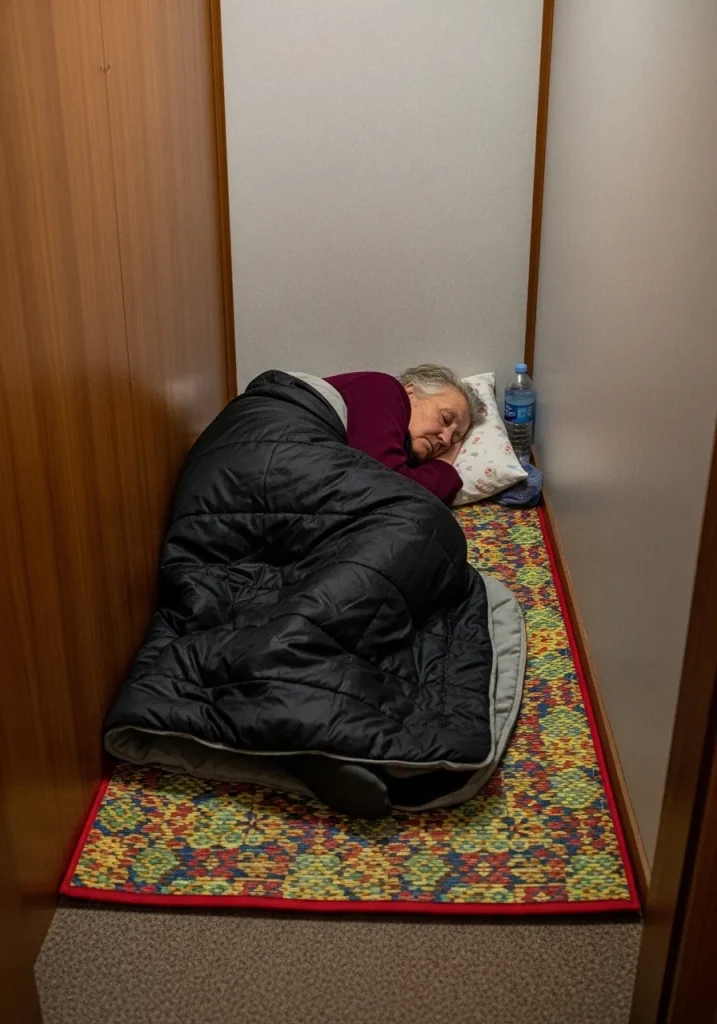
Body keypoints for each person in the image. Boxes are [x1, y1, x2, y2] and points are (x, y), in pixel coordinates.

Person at [325, 364, 485, 504]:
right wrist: (443, 469)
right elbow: (386, 487)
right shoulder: (381, 388)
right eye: (445, 418)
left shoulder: (404, 458)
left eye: (455, 439)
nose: (446, 439)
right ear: (410, 392)